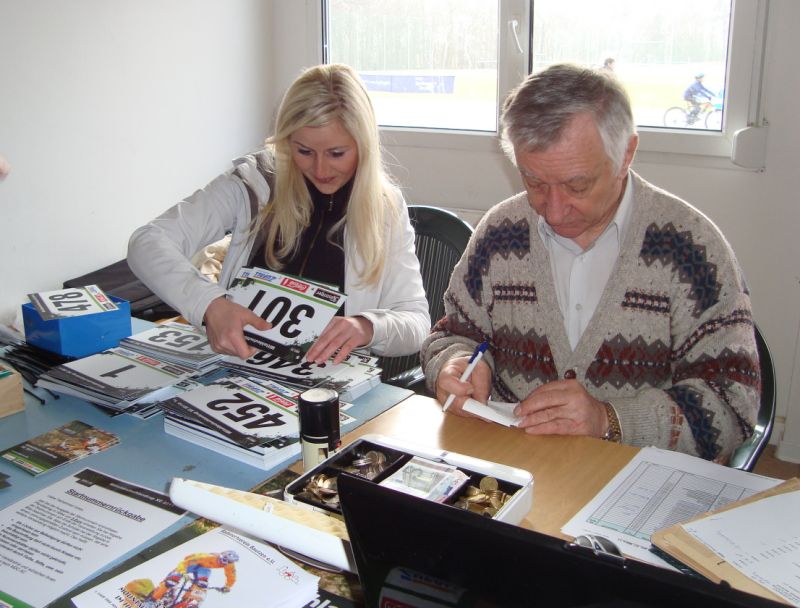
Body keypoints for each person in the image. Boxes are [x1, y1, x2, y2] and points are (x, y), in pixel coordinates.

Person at [421, 63, 759, 462]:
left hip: (636, 480)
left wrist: (609, 420)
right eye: (535, 183)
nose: (555, 210)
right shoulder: (500, 233)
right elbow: (452, 335)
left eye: (577, 186)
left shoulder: (690, 249)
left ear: (627, 154)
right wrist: (453, 363)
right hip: (515, 471)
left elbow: (732, 405)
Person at [128, 64, 429, 364]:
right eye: (304, 151)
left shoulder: (385, 208)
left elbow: (416, 321)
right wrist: (210, 304)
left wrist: (367, 327)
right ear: (286, 142)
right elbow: (147, 242)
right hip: (241, 367)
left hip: (326, 382)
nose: (321, 170)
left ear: (363, 146)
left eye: (337, 153)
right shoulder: (254, 183)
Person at [145, 549, 239, 606]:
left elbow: (231, 576)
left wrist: (228, 586)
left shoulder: (229, 565)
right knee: (171, 581)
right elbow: (184, 563)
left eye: (227, 562)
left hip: (204, 568)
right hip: (190, 564)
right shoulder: (206, 557)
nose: (223, 563)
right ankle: (152, 600)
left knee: (202, 584)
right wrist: (182, 572)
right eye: (223, 560)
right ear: (220, 556)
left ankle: (186, 601)